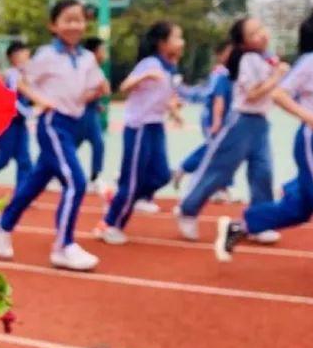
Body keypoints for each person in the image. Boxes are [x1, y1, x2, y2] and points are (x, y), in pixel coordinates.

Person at [213, 0, 313, 300]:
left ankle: (241, 227)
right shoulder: (311, 63)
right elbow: (281, 94)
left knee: (298, 209)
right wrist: (309, 117)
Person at [0, 0, 110, 271]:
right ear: (54, 25)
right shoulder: (45, 56)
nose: (74, 24)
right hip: (53, 124)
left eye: (78, 19)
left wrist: (96, 92)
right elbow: (18, 79)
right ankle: (63, 246)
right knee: (75, 182)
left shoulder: (86, 58)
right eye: (68, 19)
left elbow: (89, 89)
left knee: (37, 179)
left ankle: (1, 225)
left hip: (74, 123)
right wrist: (42, 100)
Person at [175, 16, 287, 242]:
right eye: (254, 33)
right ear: (243, 43)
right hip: (241, 122)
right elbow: (252, 94)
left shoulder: (265, 60)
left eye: (261, 29)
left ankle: (259, 223)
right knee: (219, 170)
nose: (262, 34)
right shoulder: (247, 60)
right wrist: (277, 76)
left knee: (263, 173)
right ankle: (188, 209)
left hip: (260, 124)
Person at [93, 21, 185, 244]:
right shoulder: (150, 63)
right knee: (132, 183)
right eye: (177, 37)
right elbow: (124, 86)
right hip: (139, 126)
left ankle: (118, 196)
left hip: (155, 125)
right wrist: (144, 77)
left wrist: (174, 111)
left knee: (162, 174)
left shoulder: (169, 67)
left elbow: (164, 96)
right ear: (162, 43)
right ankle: (110, 224)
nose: (182, 42)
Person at [173, 41, 234, 200]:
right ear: (220, 55)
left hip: (228, 118)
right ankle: (189, 173)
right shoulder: (219, 74)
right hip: (213, 117)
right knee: (215, 149)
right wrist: (181, 91)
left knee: (222, 150)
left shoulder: (234, 73)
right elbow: (208, 96)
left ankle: (220, 187)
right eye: (229, 51)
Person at [0, 41, 35, 189]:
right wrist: (30, 112)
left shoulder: (26, 76)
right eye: (24, 54)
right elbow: (13, 100)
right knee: (3, 159)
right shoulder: (12, 74)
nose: (28, 58)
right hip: (7, 124)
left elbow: (29, 100)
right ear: (13, 57)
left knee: (24, 160)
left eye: (28, 54)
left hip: (20, 124)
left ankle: (21, 194)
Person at [81, 37, 109, 195]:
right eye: (102, 50)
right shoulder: (85, 69)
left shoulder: (97, 69)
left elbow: (104, 90)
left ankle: (94, 177)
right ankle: (52, 171)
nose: (104, 54)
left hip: (91, 113)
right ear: (94, 53)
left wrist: (97, 102)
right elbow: (79, 94)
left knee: (98, 144)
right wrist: (97, 93)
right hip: (81, 113)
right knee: (69, 146)